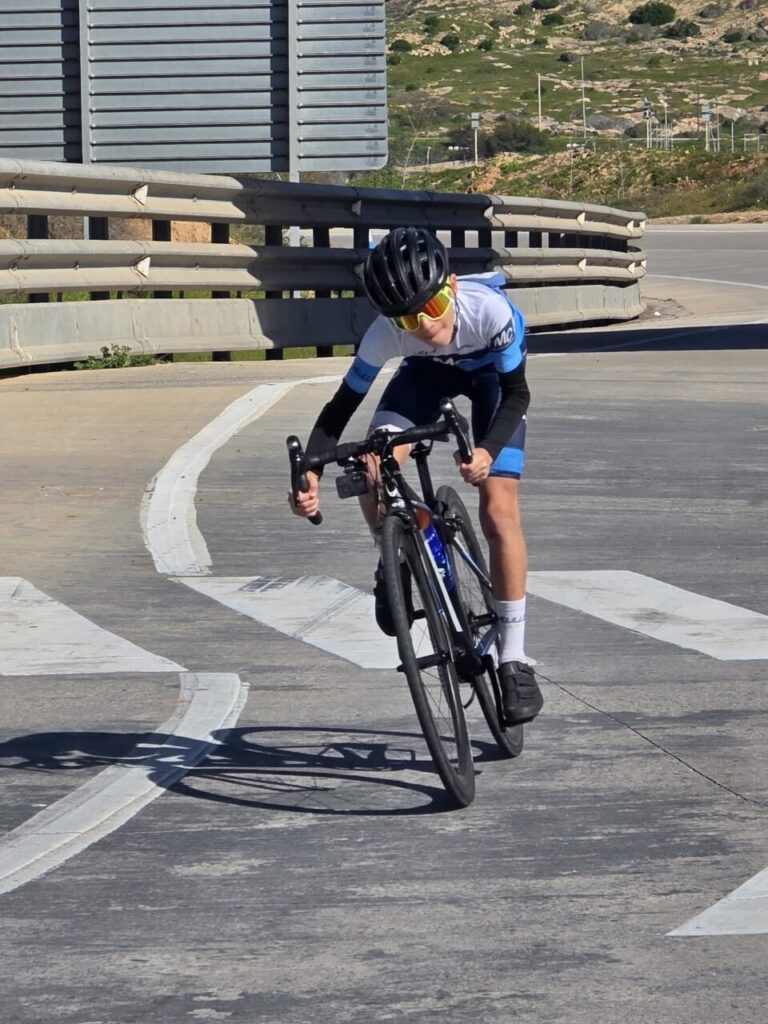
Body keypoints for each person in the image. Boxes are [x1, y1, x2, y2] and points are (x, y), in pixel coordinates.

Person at [289, 227, 543, 726]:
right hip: (424, 378)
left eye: (431, 307)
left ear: (450, 284)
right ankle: (393, 554)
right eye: (407, 317)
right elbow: (338, 411)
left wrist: (488, 451)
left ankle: (513, 658)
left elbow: (518, 394)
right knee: (370, 463)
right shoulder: (386, 334)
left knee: (497, 510)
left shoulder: (490, 311)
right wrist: (309, 474)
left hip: (491, 379)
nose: (424, 325)